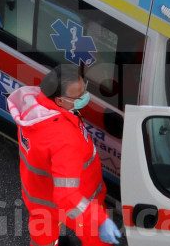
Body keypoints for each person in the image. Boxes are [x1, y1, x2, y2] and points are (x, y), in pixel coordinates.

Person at [7, 64, 122, 246]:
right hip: (77, 203)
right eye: (79, 95)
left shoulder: (34, 109)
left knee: (42, 238)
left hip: (39, 196)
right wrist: (100, 221)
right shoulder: (64, 140)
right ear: (60, 101)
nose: (85, 96)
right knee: (97, 239)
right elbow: (67, 198)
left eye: (85, 88)